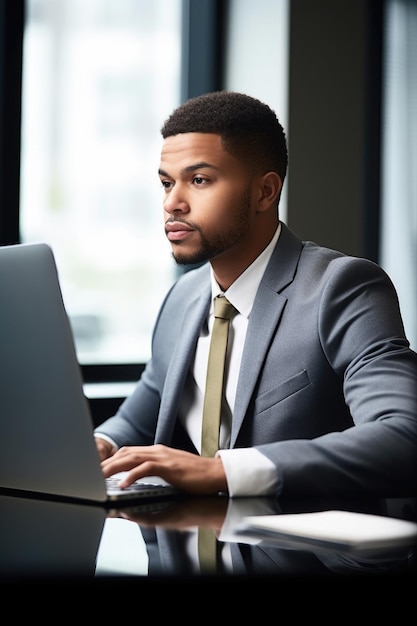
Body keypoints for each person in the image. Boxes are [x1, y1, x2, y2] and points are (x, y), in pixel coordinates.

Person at [95, 90, 417, 499]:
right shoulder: (182, 298)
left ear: (265, 191)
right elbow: (139, 417)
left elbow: (404, 435)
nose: (172, 203)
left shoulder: (342, 287)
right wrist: (100, 445)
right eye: (165, 183)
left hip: (310, 551)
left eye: (199, 180)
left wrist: (221, 473)